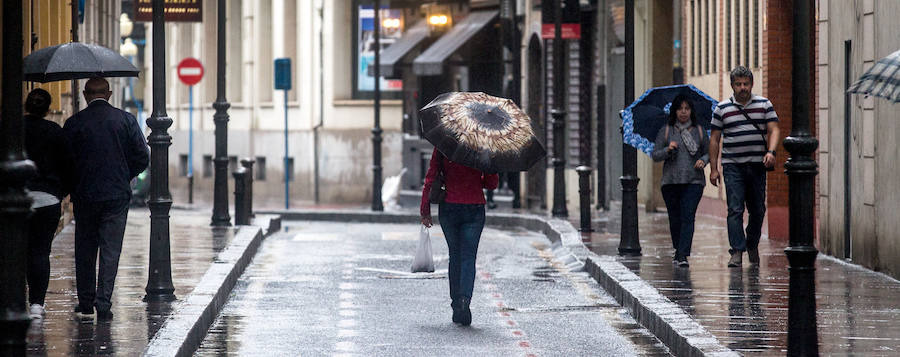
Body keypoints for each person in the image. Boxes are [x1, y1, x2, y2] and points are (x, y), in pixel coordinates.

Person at [63, 77, 149, 321]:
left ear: (85, 95)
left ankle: (85, 302)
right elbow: (142, 156)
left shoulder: (74, 123)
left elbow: (65, 160)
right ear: (109, 94)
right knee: (111, 250)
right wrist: (124, 175)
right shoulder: (126, 120)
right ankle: (103, 303)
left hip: (85, 195)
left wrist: (74, 184)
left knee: (85, 248)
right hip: (116, 195)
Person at [709, 66, 780, 268]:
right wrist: (714, 169)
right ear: (732, 86)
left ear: (751, 84)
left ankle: (752, 244)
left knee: (758, 210)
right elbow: (714, 139)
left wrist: (771, 152)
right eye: (738, 84)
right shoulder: (722, 108)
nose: (742, 88)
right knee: (735, 209)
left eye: (746, 84)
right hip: (733, 166)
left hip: (757, 165)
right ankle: (737, 251)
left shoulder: (764, 104)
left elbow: (774, 129)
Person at [420, 148, 498, 326]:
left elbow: (431, 177)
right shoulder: (482, 146)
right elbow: (491, 184)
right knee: (468, 257)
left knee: (455, 255)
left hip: (449, 207)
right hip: (474, 207)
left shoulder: (444, 144)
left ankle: (456, 304)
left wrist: (425, 210)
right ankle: (465, 300)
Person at [23, 88, 71, 319]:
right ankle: (36, 305)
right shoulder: (55, 132)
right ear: (49, 109)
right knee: (40, 252)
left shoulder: (12, 130)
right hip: (48, 199)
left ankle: (13, 300)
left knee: (16, 251)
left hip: (17, 199)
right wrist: (60, 194)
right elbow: (68, 167)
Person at [651, 94, 709, 267]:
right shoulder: (667, 130)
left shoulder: (699, 130)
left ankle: (683, 254)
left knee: (688, 216)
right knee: (675, 218)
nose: (683, 112)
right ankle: (678, 249)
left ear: (691, 111)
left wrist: (703, 160)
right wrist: (667, 150)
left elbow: (708, 152)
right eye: (680, 108)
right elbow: (655, 155)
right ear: (674, 111)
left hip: (694, 181)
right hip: (670, 182)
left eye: (687, 108)